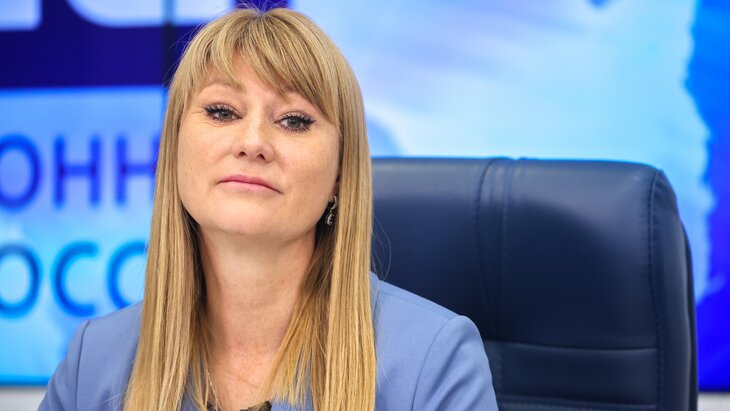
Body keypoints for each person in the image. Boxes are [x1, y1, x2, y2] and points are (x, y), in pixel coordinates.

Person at [39, 7, 498, 411]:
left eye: (293, 120)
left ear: (341, 174)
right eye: (222, 112)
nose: (253, 141)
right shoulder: (90, 363)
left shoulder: (435, 360)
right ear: (173, 149)